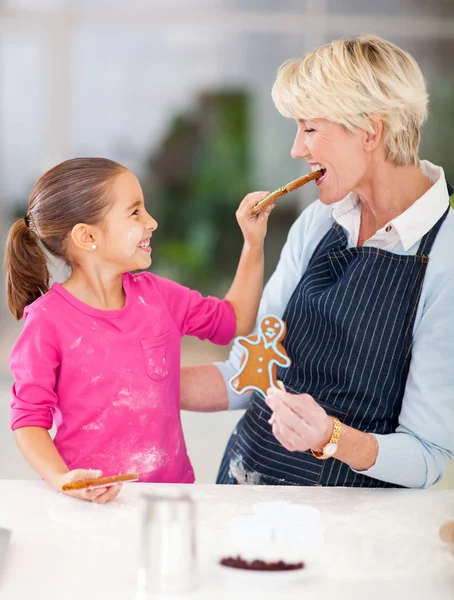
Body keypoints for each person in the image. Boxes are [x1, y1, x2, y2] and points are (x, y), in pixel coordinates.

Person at [181, 34, 454, 489]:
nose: (296, 149)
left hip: (351, 534)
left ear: (370, 130)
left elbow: (427, 458)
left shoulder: (446, 256)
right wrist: (129, 378)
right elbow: (248, 374)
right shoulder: (317, 221)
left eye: (310, 128)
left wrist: (331, 438)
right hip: (244, 487)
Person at [5, 157, 273, 502]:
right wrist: (64, 480)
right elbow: (29, 420)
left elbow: (232, 322)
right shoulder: (46, 320)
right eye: (135, 212)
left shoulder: (159, 296)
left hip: (169, 500)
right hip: (88, 505)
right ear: (87, 236)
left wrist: (253, 245)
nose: (152, 222)